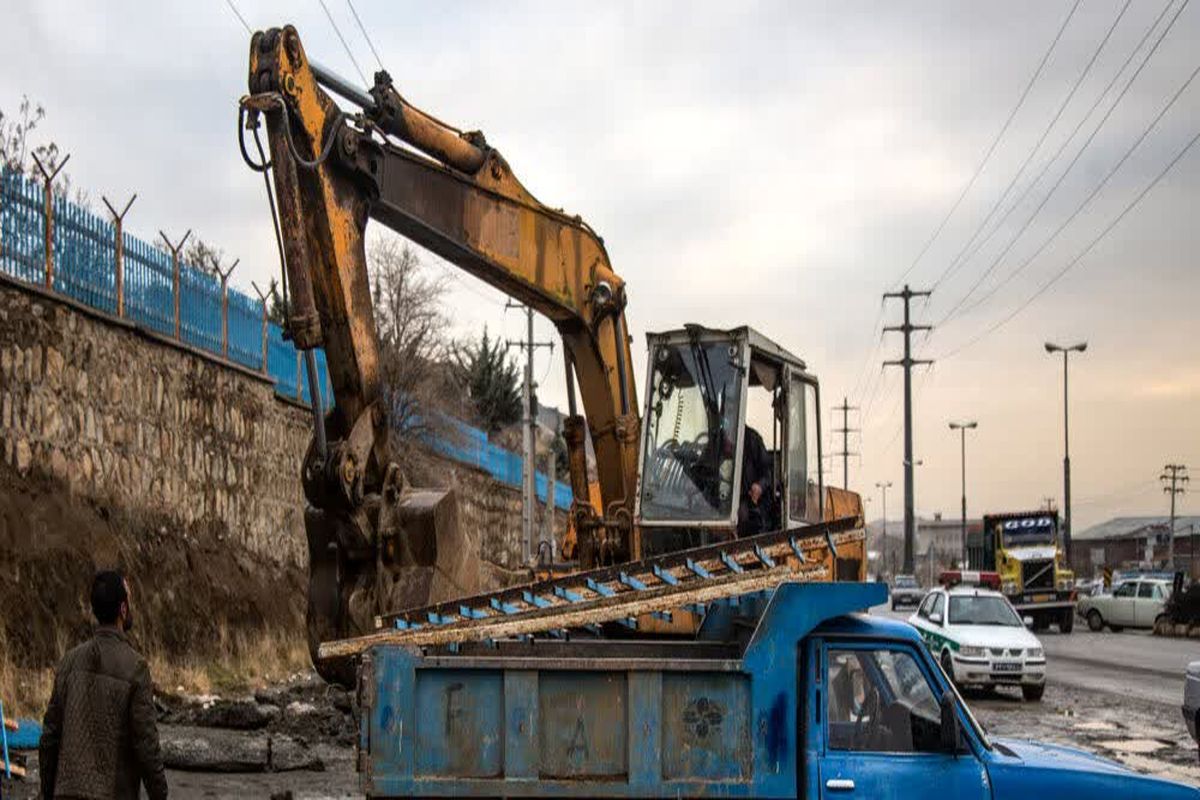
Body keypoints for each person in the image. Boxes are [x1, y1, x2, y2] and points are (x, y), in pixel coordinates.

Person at [40, 570, 168, 800]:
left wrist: (48, 793)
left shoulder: (69, 661)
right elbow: (147, 746)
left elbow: (50, 737)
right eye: (129, 599)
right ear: (122, 609)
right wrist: (160, 795)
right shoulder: (136, 667)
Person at [737, 425, 774, 535]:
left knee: (743, 514)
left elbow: (768, 473)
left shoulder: (752, 439)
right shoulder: (716, 440)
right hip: (720, 503)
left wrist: (759, 486)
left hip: (749, 499)